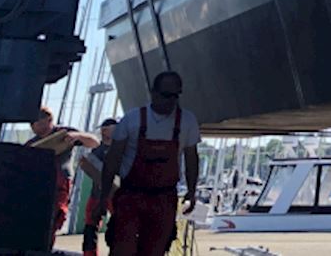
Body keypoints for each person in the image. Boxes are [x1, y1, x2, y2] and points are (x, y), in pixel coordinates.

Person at [97, 71, 201, 256]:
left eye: (175, 96)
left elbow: (191, 159)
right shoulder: (132, 119)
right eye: (165, 95)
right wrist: (103, 196)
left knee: (156, 250)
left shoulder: (187, 120)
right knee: (122, 248)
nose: (170, 101)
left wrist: (192, 192)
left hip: (163, 198)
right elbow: (113, 159)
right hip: (131, 195)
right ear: (153, 93)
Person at [24, 105, 99, 251]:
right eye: (33, 125)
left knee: (55, 217)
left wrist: (77, 137)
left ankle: (46, 248)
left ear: (49, 120)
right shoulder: (32, 144)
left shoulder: (65, 134)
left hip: (60, 183)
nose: (36, 128)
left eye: (39, 123)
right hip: (39, 185)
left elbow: (94, 142)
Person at [76, 117, 119, 256]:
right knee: (90, 227)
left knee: (118, 228)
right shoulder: (97, 150)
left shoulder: (122, 148)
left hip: (116, 195)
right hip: (97, 194)